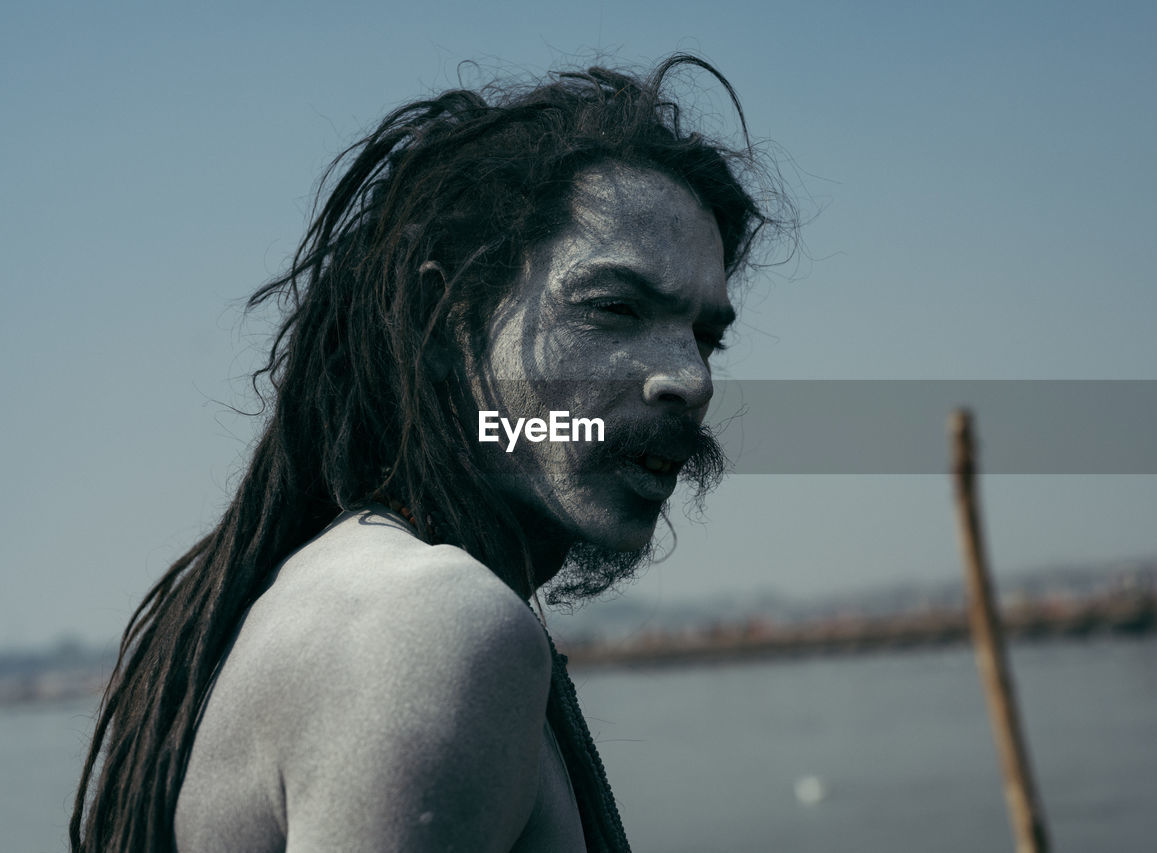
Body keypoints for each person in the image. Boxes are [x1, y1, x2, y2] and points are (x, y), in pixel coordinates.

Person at [72, 55, 770, 852]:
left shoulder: (355, 589)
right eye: (614, 308)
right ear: (446, 320)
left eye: (705, 336)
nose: (689, 378)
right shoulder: (435, 624)